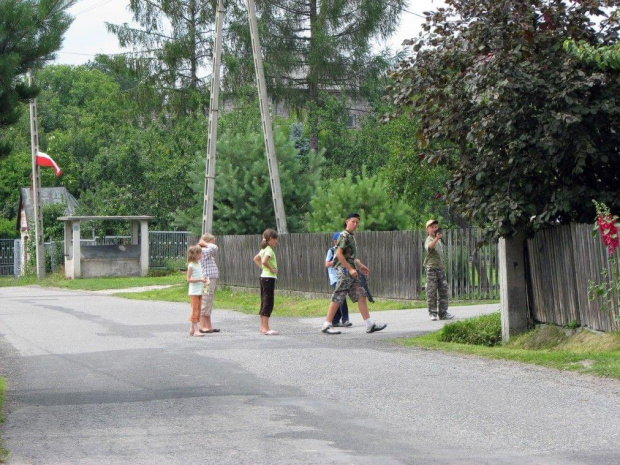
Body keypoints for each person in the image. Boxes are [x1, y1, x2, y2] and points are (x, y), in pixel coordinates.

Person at [321, 213, 387, 335]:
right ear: (346, 221)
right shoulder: (344, 235)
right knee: (338, 296)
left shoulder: (351, 236)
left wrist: (360, 266)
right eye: (353, 222)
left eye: (357, 222)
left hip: (351, 271)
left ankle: (369, 325)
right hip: (344, 271)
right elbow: (339, 254)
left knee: (361, 294)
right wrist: (350, 269)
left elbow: (350, 256)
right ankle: (327, 325)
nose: (355, 224)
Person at [424, 219, 454, 321]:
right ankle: (433, 313)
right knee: (431, 291)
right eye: (432, 227)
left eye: (436, 227)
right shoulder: (429, 239)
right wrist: (436, 239)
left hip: (440, 269)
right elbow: (430, 247)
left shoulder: (440, 240)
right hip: (431, 269)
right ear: (427, 230)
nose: (435, 229)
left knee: (443, 291)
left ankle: (443, 313)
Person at [252, 228, 280, 335]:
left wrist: (263, 268)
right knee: (268, 302)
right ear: (271, 239)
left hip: (264, 277)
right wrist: (271, 269)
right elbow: (264, 261)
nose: (276, 242)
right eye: (276, 239)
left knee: (264, 301)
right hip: (269, 278)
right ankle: (265, 328)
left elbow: (256, 259)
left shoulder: (263, 250)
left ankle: (263, 327)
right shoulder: (268, 250)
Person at [325, 232, 351, 327]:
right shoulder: (331, 251)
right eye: (339, 241)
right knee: (342, 298)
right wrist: (337, 260)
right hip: (335, 278)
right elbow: (327, 264)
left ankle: (335, 320)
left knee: (338, 299)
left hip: (343, 277)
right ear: (335, 241)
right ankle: (345, 320)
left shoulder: (344, 251)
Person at [197, 233, 220, 334]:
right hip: (206, 280)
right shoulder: (203, 251)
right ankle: (202, 326)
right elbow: (214, 248)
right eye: (212, 241)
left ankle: (209, 325)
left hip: (211, 279)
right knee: (205, 300)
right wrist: (204, 243)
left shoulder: (205, 251)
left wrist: (205, 243)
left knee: (209, 301)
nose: (213, 243)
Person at [186, 245, 207, 337]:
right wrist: (200, 279)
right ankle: (196, 330)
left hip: (200, 290)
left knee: (198, 309)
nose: (201, 255)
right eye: (200, 253)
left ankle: (192, 329)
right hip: (194, 292)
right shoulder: (191, 265)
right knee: (195, 310)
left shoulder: (198, 264)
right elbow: (188, 279)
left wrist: (204, 279)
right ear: (195, 255)